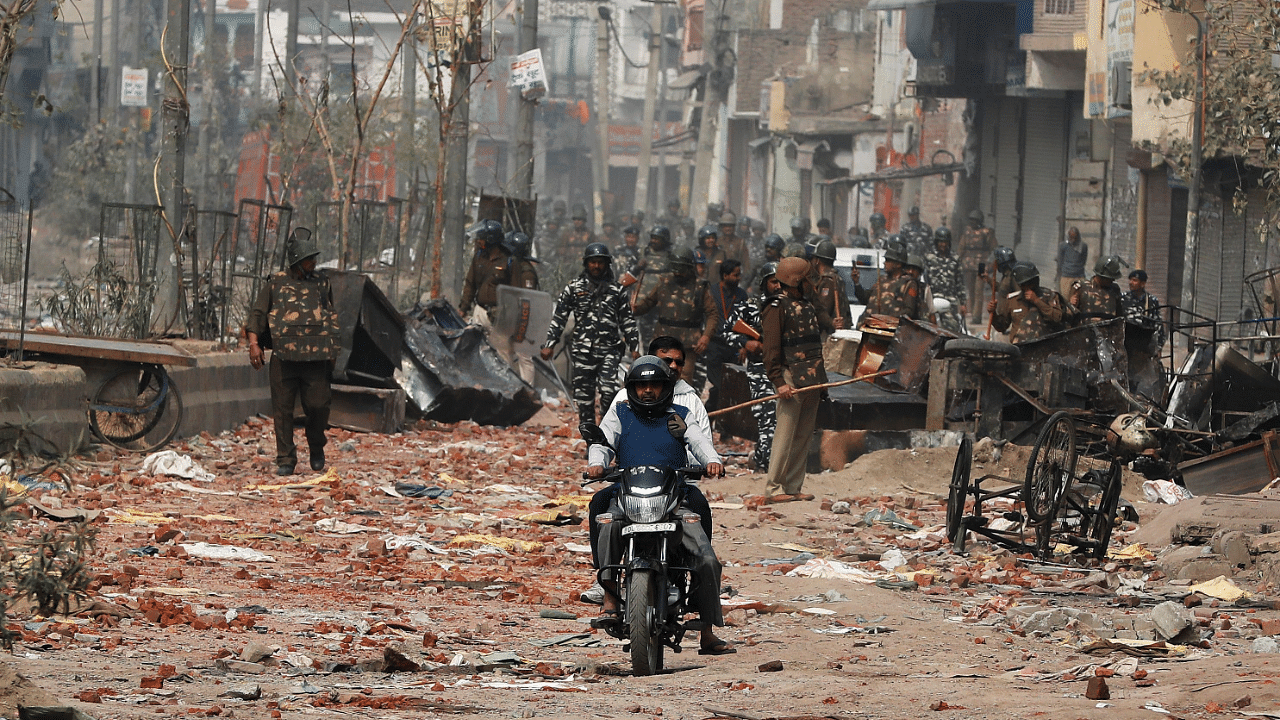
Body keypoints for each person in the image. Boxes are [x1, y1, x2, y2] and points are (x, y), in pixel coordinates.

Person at [585, 356, 733, 655]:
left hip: (674, 494)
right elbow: (602, 442)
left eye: (654, 385)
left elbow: (698, 440)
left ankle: (706, 629)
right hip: (627, 492)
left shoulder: (679, 414)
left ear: (666, 387)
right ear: (632, 389)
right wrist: (597, 464)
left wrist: (712, 461)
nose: (648, 391)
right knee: (601, 508)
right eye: (641, 386)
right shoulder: (621, 413)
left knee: (707, 556)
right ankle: (610, 594)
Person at [245, 228, 339, 476]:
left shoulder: (322, 283)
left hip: (316, 358)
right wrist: (254, 344)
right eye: (310, 259)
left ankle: (316, 446)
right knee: (282, 410)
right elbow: (257, 314)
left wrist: (333, 350)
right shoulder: (275, 283)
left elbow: (330, 316)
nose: (314, 263)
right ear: (298, 262)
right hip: (284, 357)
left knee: (319, 407)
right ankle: (285, 458)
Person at [542, 243, 641, 425]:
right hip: (583, 351)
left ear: (607, 264)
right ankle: (591, 439)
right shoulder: (574, 288)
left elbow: (627, 321)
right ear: (586, 264)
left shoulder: (616, 290)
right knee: (584, 399)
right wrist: (550, 344)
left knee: (609, 391)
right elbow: (559, 319)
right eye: (593, 262)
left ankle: (606, 432)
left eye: (600, 262)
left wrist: (635, 348)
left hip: (609, 350)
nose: (596, 266)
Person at [761, 257, 830, 501]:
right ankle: (773, 489)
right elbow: (770, 349)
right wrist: (779, 381)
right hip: (790, 377)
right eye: (807, 279)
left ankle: (792, 486)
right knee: (785, 434)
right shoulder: (776, 307)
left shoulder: (808, 304)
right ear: (796, 281)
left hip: (812, 378)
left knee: (803, 434)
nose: (812, 283)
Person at [632, 247, 717, 384]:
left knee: (683, 380)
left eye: (681, 269)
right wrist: (635, 309)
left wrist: (706, 336)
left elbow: (712, 314)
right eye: (675, 268)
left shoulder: (700, 286)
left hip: (688, 343)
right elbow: (648, 302)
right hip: (662, 339)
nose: (677, 272)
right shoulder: (664, 282)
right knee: (657, 377)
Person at [725, 262, 780, 471]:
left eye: (781, 282)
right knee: (768, 420)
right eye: (774, 282)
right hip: (760, 370)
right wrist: (746, 343)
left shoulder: (790, 306)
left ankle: (766, 460)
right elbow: (727, 330)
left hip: (785, 371)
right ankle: (764, 463)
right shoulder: (750, 306)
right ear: (764, 283)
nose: (778, 287)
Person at [704, 259, 749, 411]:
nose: (739, 278)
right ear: (725, 275)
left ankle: (723, 429)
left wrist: (744, 345)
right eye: (735, 275)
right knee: (720, 385)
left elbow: (745, 321)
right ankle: (709, 418)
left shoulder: (742, 295)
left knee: (731, 387)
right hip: (715, 345)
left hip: (734, 347)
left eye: (739, 275)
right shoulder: (711, 292)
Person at [992, 261, 1068, 343]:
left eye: (1033, 282)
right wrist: (993, 314)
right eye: (1027, 284)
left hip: (1044, 347)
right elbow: (1001, 326)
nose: (1031, 286)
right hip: (1021, 348)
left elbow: (1057, 318)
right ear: (1021, 285)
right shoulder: (1013, 300)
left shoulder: (1050, 296)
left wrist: (1037, 301)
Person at [1122, 269, 1166, 395]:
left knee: (1143, 378)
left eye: (1134, 280)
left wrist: (1158, 347)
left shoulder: (1151, 301)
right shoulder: (1123, 299)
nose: (1131, 283)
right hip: (1127, 343)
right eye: (1130, 280)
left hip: (1143, 345)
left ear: (1142, 283)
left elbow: (1158, 324)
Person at [860, 239, 923, 323]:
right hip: (870, 327)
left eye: (888, 260)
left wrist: (887, 319)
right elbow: (865, 299)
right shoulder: (882, 280)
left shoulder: (909, 283)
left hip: (889, 330)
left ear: (898, 264)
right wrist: (856, 284)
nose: (884, 263)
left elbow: (909, 311)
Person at [459, 219, 511, 319]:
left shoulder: (509, 261)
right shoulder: (479, 258)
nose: (478, 241)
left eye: (481, 238)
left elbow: (516, 291)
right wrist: (463, 308)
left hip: (500, 316)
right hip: (480, 312)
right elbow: (470, 284)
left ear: (490, 239)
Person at [924, 227, 967, 332]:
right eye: (940, 242)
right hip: (932, 300)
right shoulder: (929, 258)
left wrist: (963, 303)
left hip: (950, 301)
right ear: (936, 242)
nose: (943, 244)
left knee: (953, 327)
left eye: (945, 242)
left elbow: (960, 282)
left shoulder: (955, 259)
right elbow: (924, 280)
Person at [957, 210, 997, 323]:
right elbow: (961, 247)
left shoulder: (987, 232)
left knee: (979, 290)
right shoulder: (967, 232)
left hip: (981, 265)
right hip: (968, 265)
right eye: (971, 220)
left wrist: (991, 264)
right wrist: (956, 261)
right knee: (971, 290)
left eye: (975, 220)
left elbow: (994, 248)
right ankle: (973, 312)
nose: (972, 222)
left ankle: (976, 316)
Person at [808, 240, 850, 337]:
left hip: (829, 335)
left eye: (814, 258)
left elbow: (822, 310)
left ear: (817, 260)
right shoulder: (836, 278)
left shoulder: (827, 281)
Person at [1069, 254, 1124, 323]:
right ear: (1101, 276)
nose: (1112, 280)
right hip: (1085, 331)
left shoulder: (1114, 290)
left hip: (1109, 332)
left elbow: (1119, 317)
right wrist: (1071, 305)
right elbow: (1069, 316)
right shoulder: (1081, 287)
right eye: (1109, 278)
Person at [983, 246, 1018, 320]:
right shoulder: (1006, 276)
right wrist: (989, 280)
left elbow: (1018, 294)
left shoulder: (1013, 276)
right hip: (1004, 318)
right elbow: (1002, 289)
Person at [717, 211, 751, 280]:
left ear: (734, 227)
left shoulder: (740, 243)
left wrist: (744, 279)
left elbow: (746, 263)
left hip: (734, 279)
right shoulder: (717, 242)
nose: (728, 228)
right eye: (725, 226)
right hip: (718, 278)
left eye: (730, 226)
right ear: (721, 227)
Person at [1057, 226, 1089, 299]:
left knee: (1080, 298)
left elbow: (1084, 260)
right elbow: (1060, 260)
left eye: (1075, 238)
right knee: (1066, 298)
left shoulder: (1083, 246)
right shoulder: (1063, 246)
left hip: (1079, 276)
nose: (1073, 240)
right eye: (1071, 237)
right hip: (1066, 276)